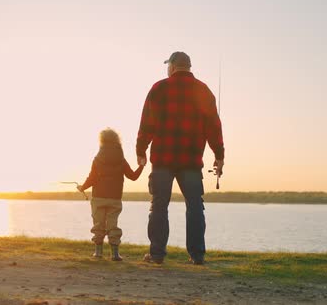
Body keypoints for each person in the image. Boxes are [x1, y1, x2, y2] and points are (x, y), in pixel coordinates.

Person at [136, 51, 225, 265]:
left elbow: (147, 122)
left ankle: (157, 254)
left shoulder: (159, 88)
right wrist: (219, 155)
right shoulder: (203, 91)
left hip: (163, 159)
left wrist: (140, 150)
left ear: (173, 66)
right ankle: (197, 255)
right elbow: (214, 126)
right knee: (195, 206)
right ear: (189, 66)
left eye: (168, 66)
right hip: (191, 161)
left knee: (159, 205)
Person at [78, 128, 145, 261]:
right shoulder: (121, 159)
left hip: (98, 198)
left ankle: (98, 252)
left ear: (101, 141)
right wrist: (141, 166)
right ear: (117, 141)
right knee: (113, 225)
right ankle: (115, 254)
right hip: (115, 198)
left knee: (98, 224)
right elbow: (132, 176)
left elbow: (92, 178)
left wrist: (82, 187)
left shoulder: (97, 159)